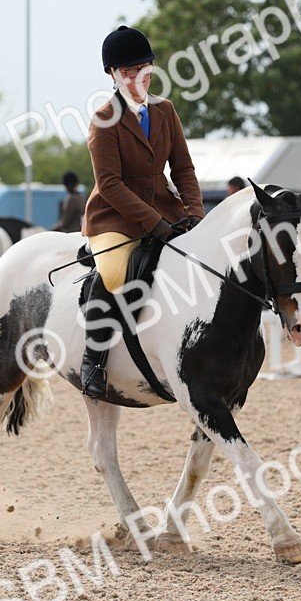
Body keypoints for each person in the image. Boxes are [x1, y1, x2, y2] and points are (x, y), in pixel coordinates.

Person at [78, 25, 206, 398]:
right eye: (128, 72)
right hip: (114, 217)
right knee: (116, 272)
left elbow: (182, 168)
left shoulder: (165, 110)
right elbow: (111, 184)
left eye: (143, 69)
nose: (137, 78)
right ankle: (94, 359)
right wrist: (154, 223)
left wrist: (195, 214)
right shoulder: (103, 121)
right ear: (113, 75)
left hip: (167, 211)